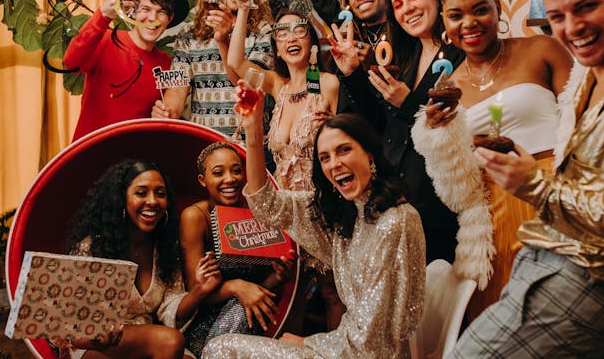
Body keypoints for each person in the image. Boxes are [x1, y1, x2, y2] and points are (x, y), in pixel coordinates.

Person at [451, 0, 604, 357]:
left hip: (587, 276)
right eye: (557, 16)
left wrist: (538, 186)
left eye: (586, 7)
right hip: (538, 251)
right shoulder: (589, 78)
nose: (572, 27)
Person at [202, 92, 425, 357]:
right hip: (340, 347)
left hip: (361, 354)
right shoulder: (346, 215)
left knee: (221, 350)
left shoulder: (396, 220)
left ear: (370, 154)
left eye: (344, 150)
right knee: (222, 346)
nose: (335, 163)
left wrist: (307, 344)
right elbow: (265, 204)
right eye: (325, 157)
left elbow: (373, 340)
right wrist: (253, 128)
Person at [410, 0, 573, 318]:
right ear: (445, 23)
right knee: (502, 325)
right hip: (492, 219)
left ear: (497, 8)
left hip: (553, 199)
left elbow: (585, 126)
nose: (468, 23)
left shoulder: (542, 50)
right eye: (456, 15)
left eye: (480, 9)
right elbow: (455, 184)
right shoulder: (450, 88)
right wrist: (442, 138)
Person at [228, 0, 345, 331]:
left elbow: (339, 142)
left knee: (330, 292)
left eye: (300, 30)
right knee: (290, 288)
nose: (292, 36)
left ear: (310, 41)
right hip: (283, 208)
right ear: (276, 44)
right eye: (283, 32)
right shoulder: (276, 86)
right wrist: (244, 10)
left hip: (319, 204)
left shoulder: (325, 84)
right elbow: (234, 63)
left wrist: (329, 126)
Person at [329, 0, 463, 263]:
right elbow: (381, 125)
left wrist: (409, 102)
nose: (408, 8)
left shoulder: (460, 56)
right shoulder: (405, 59)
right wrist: (351, 74)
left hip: (440, 203)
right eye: (398, 4)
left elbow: (452, 126)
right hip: (400, 201)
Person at [62, 159, 221, 358]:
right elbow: (72, 325)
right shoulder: (92, 248)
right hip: (95, 346)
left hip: (150, 344)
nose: (153, 201)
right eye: (141, 193)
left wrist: (198, 292)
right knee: (170, 341)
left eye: (160, 194)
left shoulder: (165, 248)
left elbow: (170, 309)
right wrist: (97, 336)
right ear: (121, 199)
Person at [179, 142, 296, 357]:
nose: (230, 179)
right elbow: (195, 291)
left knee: (246, 307)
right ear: (202, 180)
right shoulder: (195, 216)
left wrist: (278, 277)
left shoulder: (254, 214)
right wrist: (237, 287)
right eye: (218, 172)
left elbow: (259, 290)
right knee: (242, 307)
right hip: (204, 323)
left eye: (236, 171)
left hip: (250, 314)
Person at [153, 0, 272, 136]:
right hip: (205, 142)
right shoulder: (189, 33)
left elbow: (247, 87)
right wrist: (168, 111)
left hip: (248, 141)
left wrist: (223, 41)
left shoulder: (264, 30)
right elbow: (177, 89)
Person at [63, 0, 189, 141]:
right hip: (90, 153)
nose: (152, 18)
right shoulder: (106, 40)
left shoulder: (168, 64)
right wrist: (103, 16)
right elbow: (71, 62)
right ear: (133, 12)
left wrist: (169, 113)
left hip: (134, 159)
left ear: (170, 19)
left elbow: (177, 98)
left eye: (161, 12)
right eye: (145, 9)